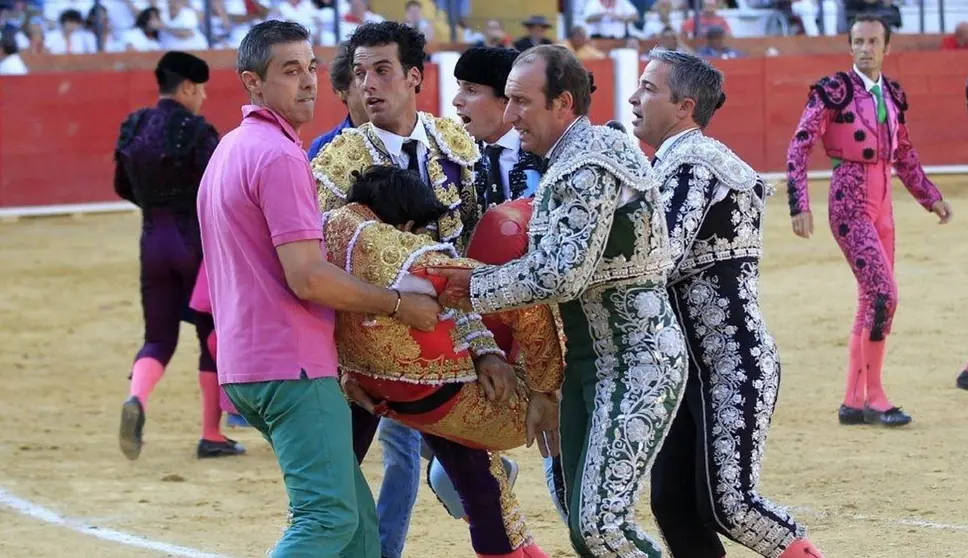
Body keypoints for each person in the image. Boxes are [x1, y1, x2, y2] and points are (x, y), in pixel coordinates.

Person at [431, 44, 688, 558]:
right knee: (581, 517)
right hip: (591, 364)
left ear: (563, 103)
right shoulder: (572, 158)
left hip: (636, 359)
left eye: (522, 102)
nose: (510, 116)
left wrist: (470, 288)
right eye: (507, 101)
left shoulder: (588, 161)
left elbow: (560, 275)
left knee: (600, 526)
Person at [195, 20, 440, 557]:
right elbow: (306, 275)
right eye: (289, 71)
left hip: (247, 363)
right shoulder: (280, 156)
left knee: (357, 532)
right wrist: (399, 304)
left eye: (309, 67)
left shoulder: (231, 148)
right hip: (292, 365)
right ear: (253, 84)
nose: (308, 81)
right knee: (327, 519)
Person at [631, 48, 826, 558]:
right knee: (674, 501)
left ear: (684, 107)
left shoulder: (695, 161)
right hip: (689, 366)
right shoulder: (673, 163)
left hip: (731, 362)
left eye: (649, 88)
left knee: (729, 505)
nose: (634, 97)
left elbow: (662, 257)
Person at [786, 14, 953, 427]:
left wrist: (930, 197)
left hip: (883, 202)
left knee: (870, 299)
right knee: (883, 295)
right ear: (850, 46)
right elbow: (800, 145)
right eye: (858, 41)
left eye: (873, 41)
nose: (865, 48)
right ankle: (874, 397)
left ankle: (851, 400)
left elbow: (906, 156)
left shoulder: (893, 95)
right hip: (848, 198)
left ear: (886, 47)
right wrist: (798, 203)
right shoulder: (833, 91)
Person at [430, 43, 565, 522]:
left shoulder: (556, 159)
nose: (457, 103)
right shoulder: (456, 162)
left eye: (471, 91)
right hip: (484, 329)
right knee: (446, 465)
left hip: (555, 330)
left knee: (569, 471)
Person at [114, 50, 243, 461]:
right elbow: (219, 190)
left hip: (152, 240)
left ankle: (137, 398)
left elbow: (121, 185)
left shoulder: (134, 125)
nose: (203, 97)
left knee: (158, 337)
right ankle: (211, 434)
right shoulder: (199, 130)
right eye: (200, 89)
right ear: (187, 87)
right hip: (195, 245)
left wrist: (155, 208)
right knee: (209, 335)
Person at [306, 40, 368, 160]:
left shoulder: (410, 137)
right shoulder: (323, 149)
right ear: (341, 91)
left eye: (381, 72)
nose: (372, 83)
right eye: (361, 75)